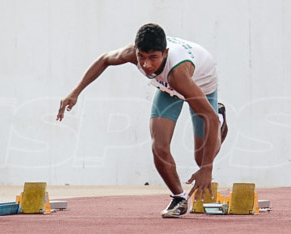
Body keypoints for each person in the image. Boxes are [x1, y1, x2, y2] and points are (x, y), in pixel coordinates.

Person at [57, 23, 227, 218]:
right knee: (159, 146)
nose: (146, 65)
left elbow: (209, 119)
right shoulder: (131, 53)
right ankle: (179, 198)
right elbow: (104, 59)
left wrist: (207, 169)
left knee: (203, 156)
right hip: (167, 90)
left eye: (153, 58)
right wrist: (75, 92)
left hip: (199, 86)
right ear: (136, 52)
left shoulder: (178, 74)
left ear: (165, 53)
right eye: (142, 58)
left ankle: (221, 114)